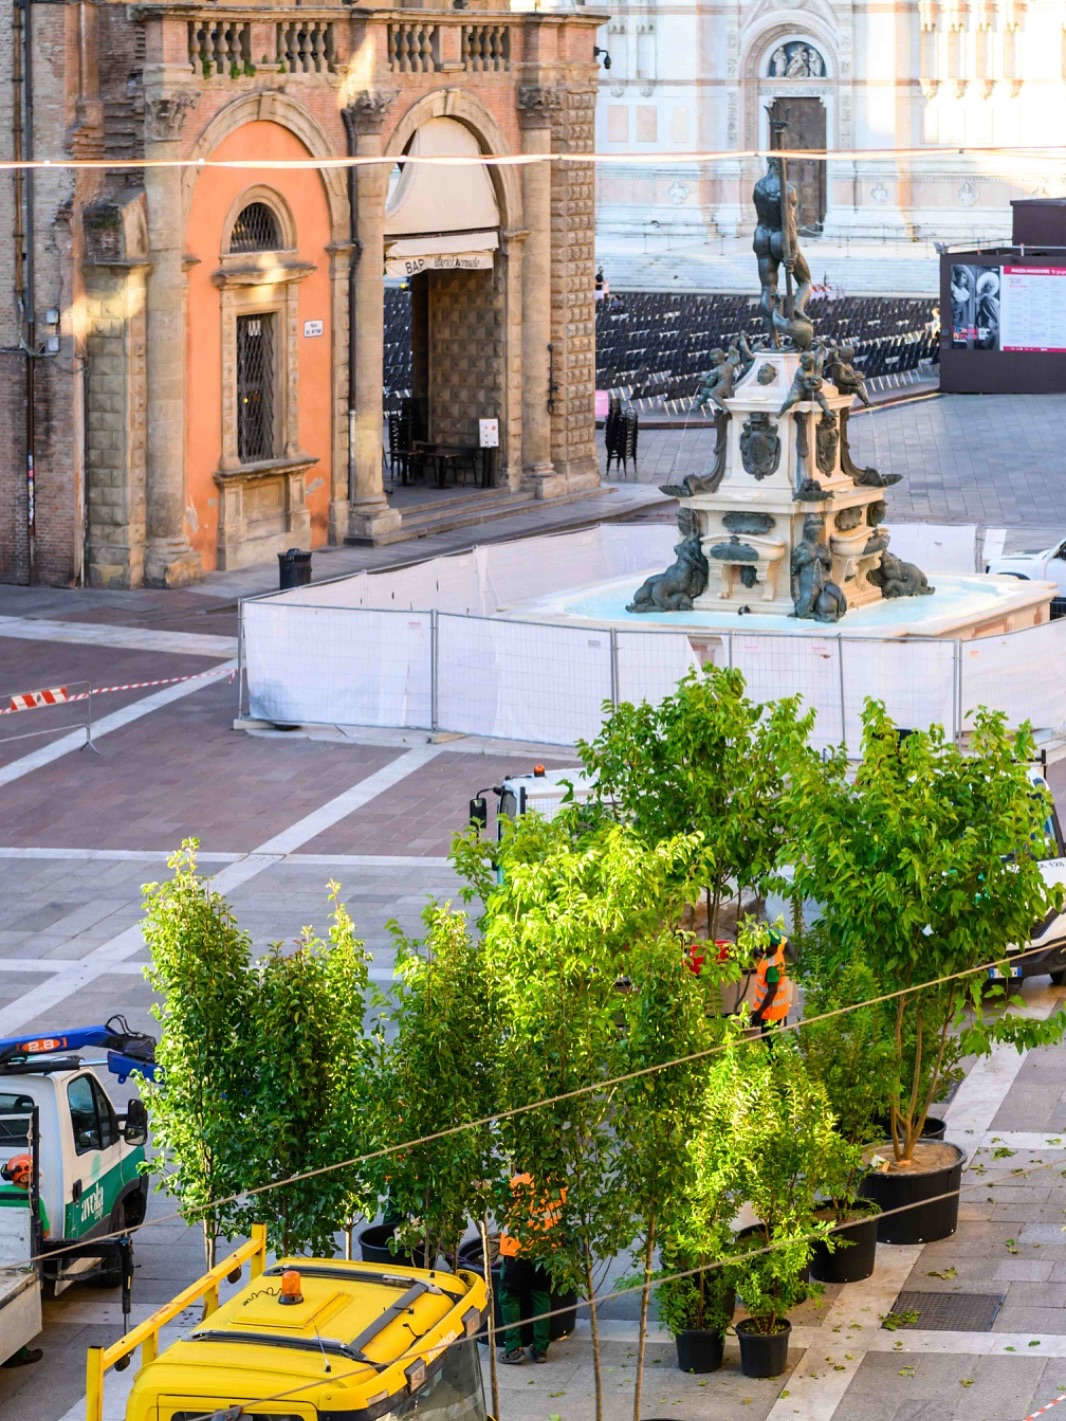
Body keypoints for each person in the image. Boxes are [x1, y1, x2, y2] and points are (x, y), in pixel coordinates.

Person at [497, 1172, 566, 1365]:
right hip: (545, 1251)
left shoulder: (513, 1184)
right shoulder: (558, 1185)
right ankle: (540, 1349)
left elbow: (495, 1198)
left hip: (516, 1250)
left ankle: (513, 1349)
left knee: (509, 1297)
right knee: (541, 1296)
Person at [750, 928, 794, 1033]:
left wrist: (758, 1013)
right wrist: (759, 952)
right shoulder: (777, 949)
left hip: (771, 1011)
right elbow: (785, 940)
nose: (775, 947)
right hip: (777, 1008)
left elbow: (772, 991)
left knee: (768, 1039)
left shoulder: (771, 968)